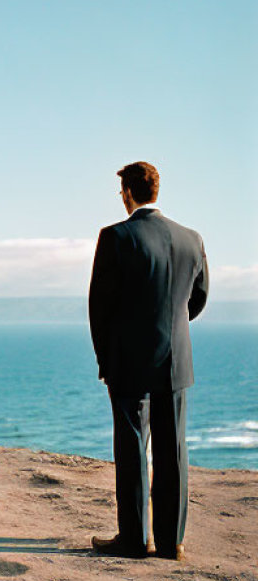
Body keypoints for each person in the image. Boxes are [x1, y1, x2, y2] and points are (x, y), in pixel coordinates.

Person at [89, 161, 208, 560]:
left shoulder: (116, 236)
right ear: (155, 191)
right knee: (173, 448)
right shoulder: (191, 238)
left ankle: (135, 540)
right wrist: (170, 326)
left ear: (127, 194)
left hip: (129, 359)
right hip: (176, 359)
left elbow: (100, 308)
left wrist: (106, 358)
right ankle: (172, 541)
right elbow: (198, 298)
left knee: (132, 447)